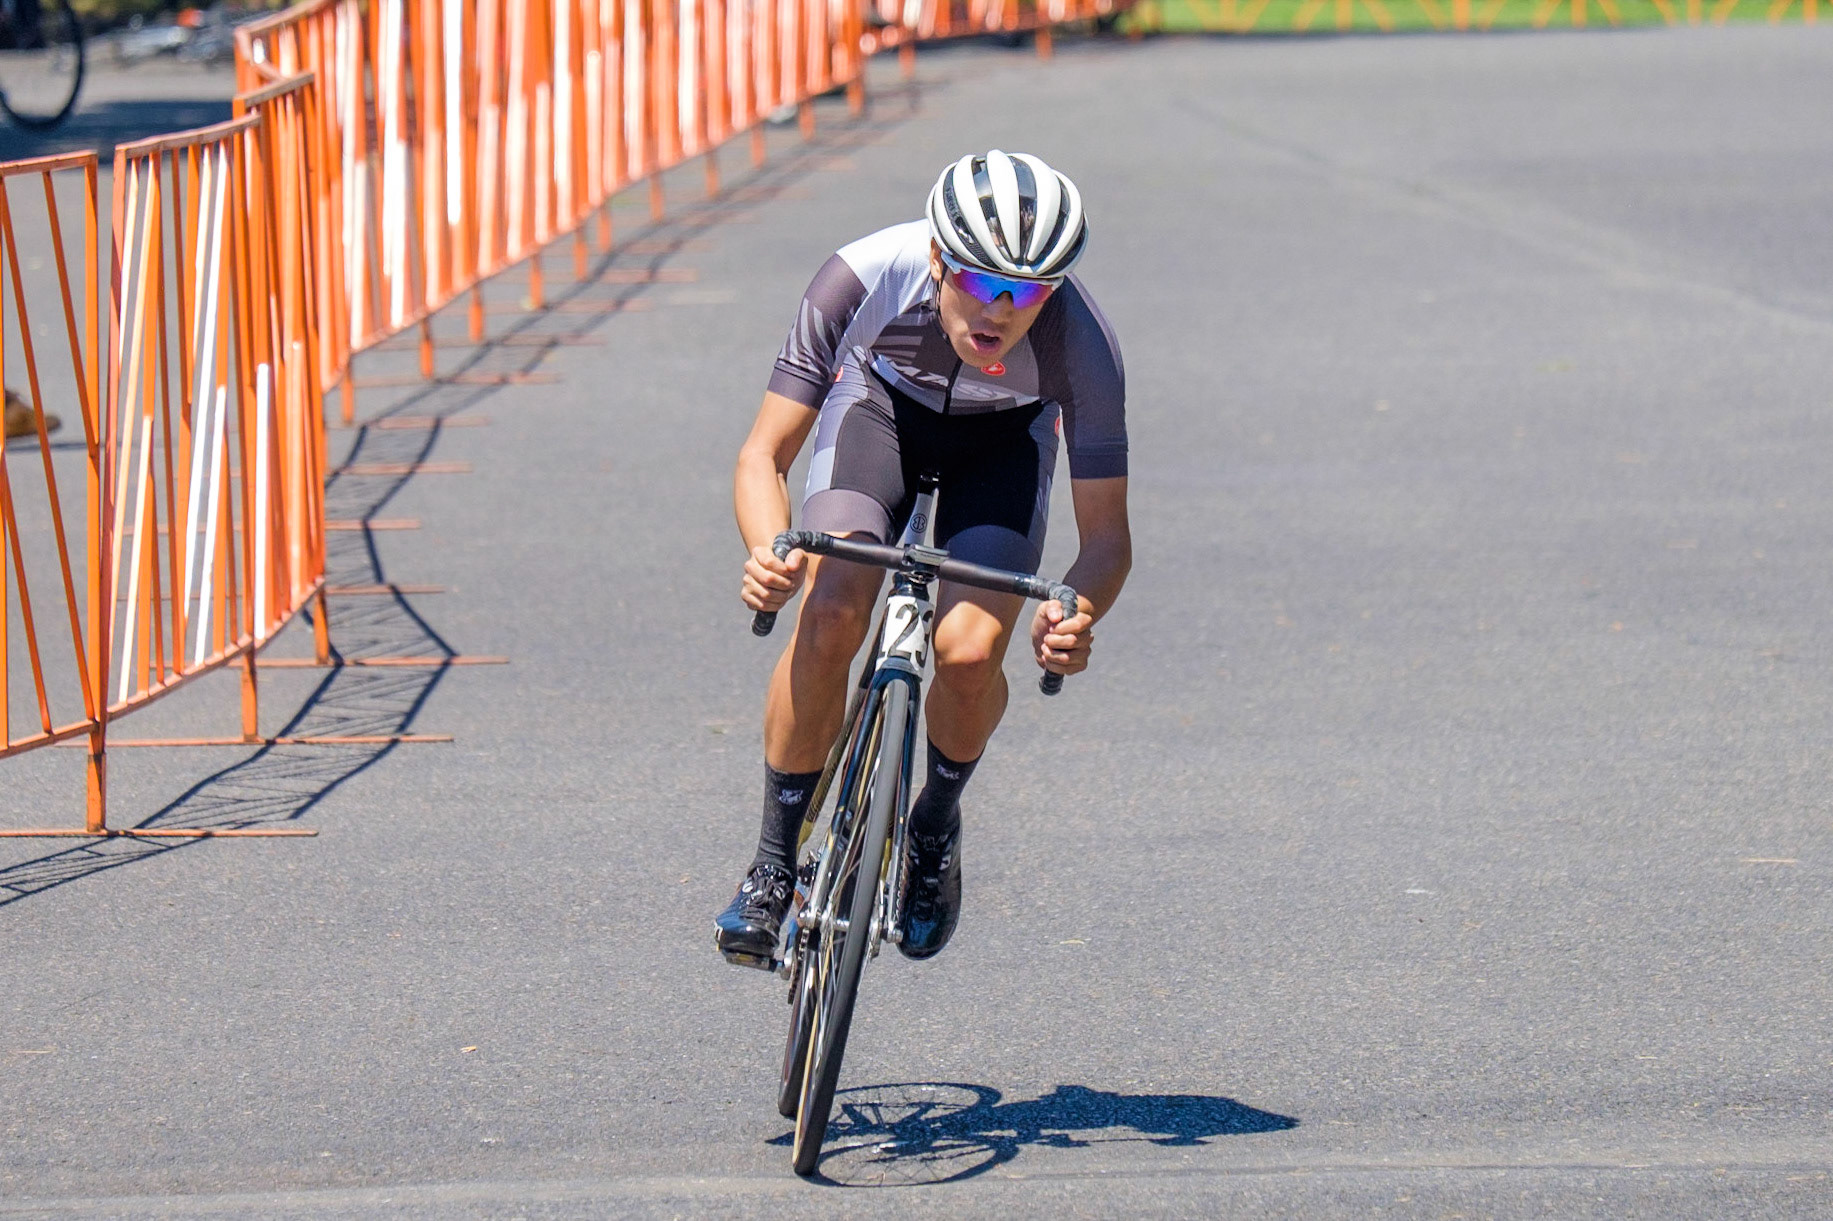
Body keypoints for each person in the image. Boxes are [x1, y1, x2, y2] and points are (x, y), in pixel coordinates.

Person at [716, 150, 1131, 965]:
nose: (999, 310)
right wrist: (768, 552)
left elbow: (1108, 539)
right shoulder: (861, 276)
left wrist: (1074, 613)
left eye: (1027, 292)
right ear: (939, 258)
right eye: (979, 282)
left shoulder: (1082, 343)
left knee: (969, 650)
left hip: (1004, 446)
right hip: (879, 412)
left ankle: (933, 826)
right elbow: (762, 455)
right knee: (831, 609)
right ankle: (772, 864)